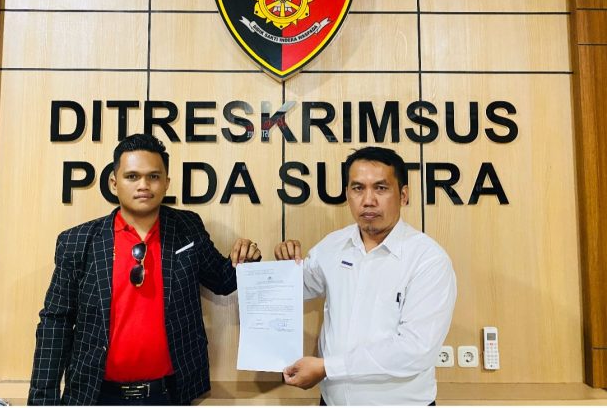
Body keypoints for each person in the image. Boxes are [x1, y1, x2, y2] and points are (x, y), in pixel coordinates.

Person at [28, 133, 262, 405]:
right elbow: (55, 322)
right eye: (132, 176)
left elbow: (222, 280)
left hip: (169, 395)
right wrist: (42, 401)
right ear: (114, 183)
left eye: (153, 176)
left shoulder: (187, 228)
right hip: (94, 395)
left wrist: (245, 260)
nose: (143, 185)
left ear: (166, 183)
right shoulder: (78, 241)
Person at [275, 146, 456, 405]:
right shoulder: (332, 246)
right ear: (347, 194)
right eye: (358, 188)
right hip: (332, 402)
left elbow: (416, 350)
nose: (368, 200)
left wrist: (327, 368)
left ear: (403, 195)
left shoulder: (428, 259)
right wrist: (278, 267)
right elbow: (291, 290)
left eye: (381, 188)